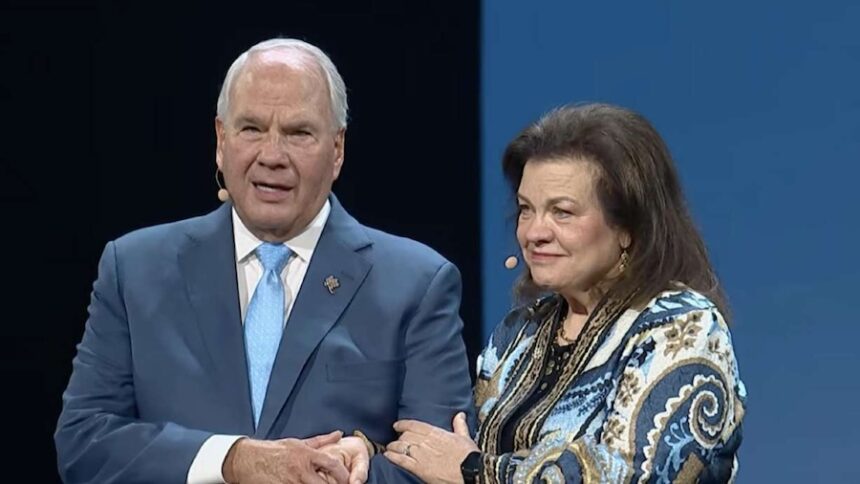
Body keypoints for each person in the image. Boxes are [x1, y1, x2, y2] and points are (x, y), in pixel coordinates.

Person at [54, 38, 473, 484]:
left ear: (337, 149)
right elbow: (85, 443)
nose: (271, 156)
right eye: (251, 129)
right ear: (220, 140)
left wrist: (338, 473)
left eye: (298, 133)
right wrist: (232, 459)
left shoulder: (417, 283)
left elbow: (440, 470)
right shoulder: (134, 269)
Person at [372, 103, 745, 483]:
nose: (534, 233)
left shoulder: (681, 325)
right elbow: (450, 451)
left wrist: (476, 472)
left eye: (562, 212)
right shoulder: (520, 332)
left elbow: (634, 475)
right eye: (526, 209)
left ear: (627, 226)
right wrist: (374, 456)